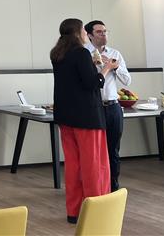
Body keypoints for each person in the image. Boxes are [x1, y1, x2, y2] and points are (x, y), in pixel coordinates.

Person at [51, 17, 119, 224]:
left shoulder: (57, 54)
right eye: (83, 30)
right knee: (94, 166)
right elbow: (92, 83)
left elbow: (73, 80)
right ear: (78, 32)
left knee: (73, 166)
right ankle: (96, 214)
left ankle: (74, 212)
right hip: (87, 117)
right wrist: (107, 68)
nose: (85, 34)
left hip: (66, 117)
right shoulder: (81, 53)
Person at [84, 19, 131, 191]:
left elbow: (127, 80)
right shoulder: (84, 54)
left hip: (113, 107)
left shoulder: (115, 53)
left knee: (113, 149)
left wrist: (114, 67)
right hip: (93, 107)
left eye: (105, 31)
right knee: (93, 151)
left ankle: (113, 187)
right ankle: (95, 187)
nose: (103, 34)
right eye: (99, 32)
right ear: (90, 35)